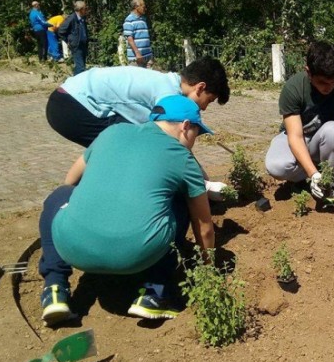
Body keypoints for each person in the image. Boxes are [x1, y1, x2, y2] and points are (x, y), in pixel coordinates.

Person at [39, 94, 216, 325]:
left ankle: (54, 288)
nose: (195, 140)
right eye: (197, 133)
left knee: (59, 196)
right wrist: (209, 272)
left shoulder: (112, 133)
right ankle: (154, 292)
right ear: (185, 126)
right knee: (180, 201)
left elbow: (70, 180)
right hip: (137, 255)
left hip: (73, 247)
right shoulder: (183, 157)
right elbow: (204, 227)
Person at [265, 41, 334, 211]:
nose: (327, 88)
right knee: (276, 166)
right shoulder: (294, 88)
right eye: (321, 82)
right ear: (308, 72)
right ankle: (306, 179)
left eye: (332, 82)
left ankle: (328, 184)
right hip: (296, 138)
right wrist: (313, 174)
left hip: (322, 139)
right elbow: (295, 136)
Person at [45, 57, 229, 148]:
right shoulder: (168, 95)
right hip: (73, 105)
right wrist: (200, 183)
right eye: (209, 100)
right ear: (200, 87)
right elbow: (171, 145)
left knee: (126, 145)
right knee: (132, 147)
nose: (204, 107)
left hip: (67, 99)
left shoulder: (167, 82)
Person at [58, 1, 89, 75]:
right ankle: (77, 84)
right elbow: (61, 30)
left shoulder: (82, 18)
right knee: (80, 67)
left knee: (81, 66)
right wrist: (68, 41)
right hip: (76, 45)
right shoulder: (71, 18)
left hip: (83, 45)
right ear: (81, 9)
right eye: (85, 8)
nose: (86, 10)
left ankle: (75, 81)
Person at [123, 0, 153, 67]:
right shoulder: (129, 20)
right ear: (136, 7)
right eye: (143, 6)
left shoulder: (143, 19)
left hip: (147, 57)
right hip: (136, 58)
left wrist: (150, 55)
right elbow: (130, 39)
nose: (145, 9)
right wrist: (137, 53)